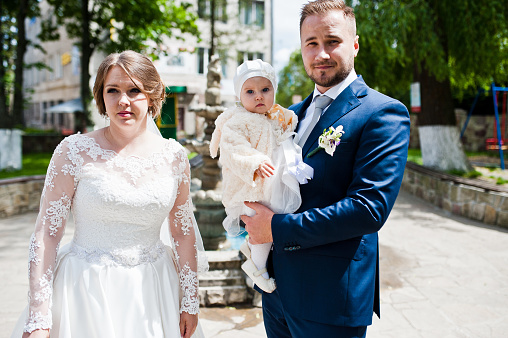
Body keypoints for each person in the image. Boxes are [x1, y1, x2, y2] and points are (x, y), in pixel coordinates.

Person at [241, 1, 411, 337]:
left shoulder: (383, 113)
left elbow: (368, 209)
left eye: (332, 41)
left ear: (355, 44)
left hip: (329, 300)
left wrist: (275, 227)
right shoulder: (288, 115)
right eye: (312, 43)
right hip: (277, 294)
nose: (321, 54)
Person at [11, 50, 208, 338]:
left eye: (134, 90)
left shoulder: (175, 157)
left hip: (154, 292)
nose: (123, 101)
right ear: (101, 96)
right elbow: (46, 235)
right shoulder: (73, 152)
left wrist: (190, 300)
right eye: (112, 90)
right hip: (84, 290)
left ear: (152, 96)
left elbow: (182, 233)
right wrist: (39, 314)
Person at [209, 59, 312, 293]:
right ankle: (258, 270)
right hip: (249, 187)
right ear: (239, 95)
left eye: (265, 90)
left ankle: (251, 252)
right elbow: (233, 147)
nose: (259, 96)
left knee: (267, 225)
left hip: (266, 186)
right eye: (250, 91)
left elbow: (283, 134)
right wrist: (254, 162)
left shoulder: (272, 116)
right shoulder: (238, 120)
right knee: (264, 228)